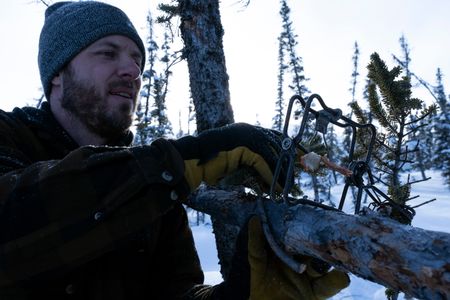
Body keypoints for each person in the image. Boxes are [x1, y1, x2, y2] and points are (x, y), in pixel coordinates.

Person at [0, 1, 349, 299]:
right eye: (107, 54)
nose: (132, 71)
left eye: (137, 60)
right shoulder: (9, 137)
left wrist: (248, 291)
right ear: (59, 72)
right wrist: (174, 164)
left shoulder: (153, 195)